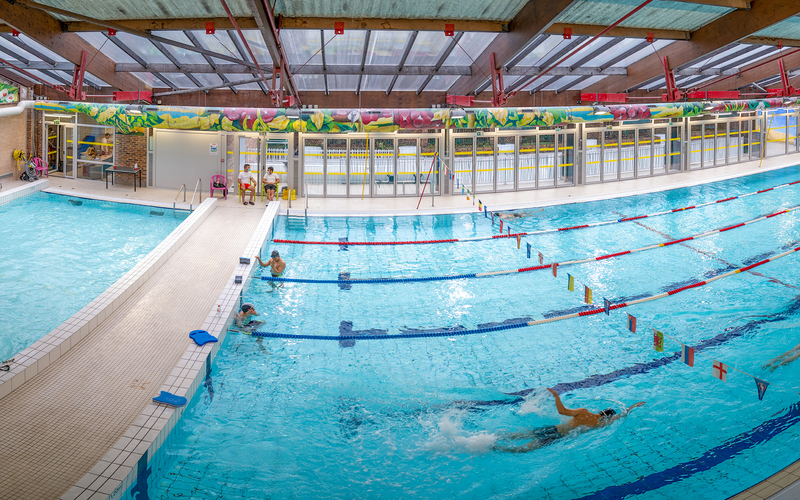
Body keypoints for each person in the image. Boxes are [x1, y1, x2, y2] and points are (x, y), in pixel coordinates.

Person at [493, 388, 645, 453]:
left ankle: (491, 438)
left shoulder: (583, 412)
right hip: (557, 438)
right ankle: (496, 448)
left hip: (553, 428)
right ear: (608, 417)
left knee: (518, 435)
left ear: (601, 411)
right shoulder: (598, 425)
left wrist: (556, 397)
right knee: (523, 449)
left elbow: (562, 411)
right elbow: (622, 415)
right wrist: (633, 407)